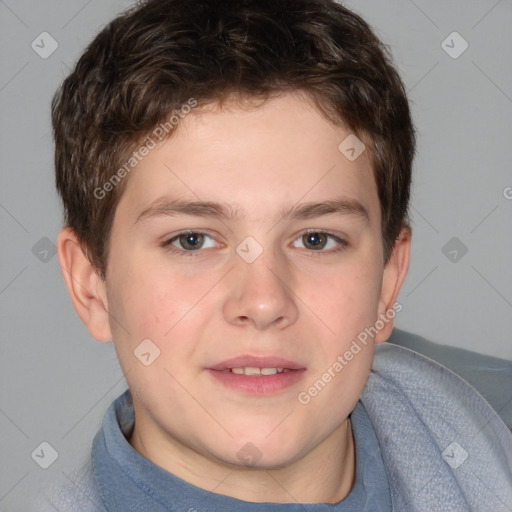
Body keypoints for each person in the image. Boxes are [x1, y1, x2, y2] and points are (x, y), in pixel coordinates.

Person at [35, 0, 512, 510]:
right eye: (192, 240)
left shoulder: (491, 429)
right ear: (91, 285)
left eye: (316, 239)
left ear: (388, 281)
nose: (263, 303)